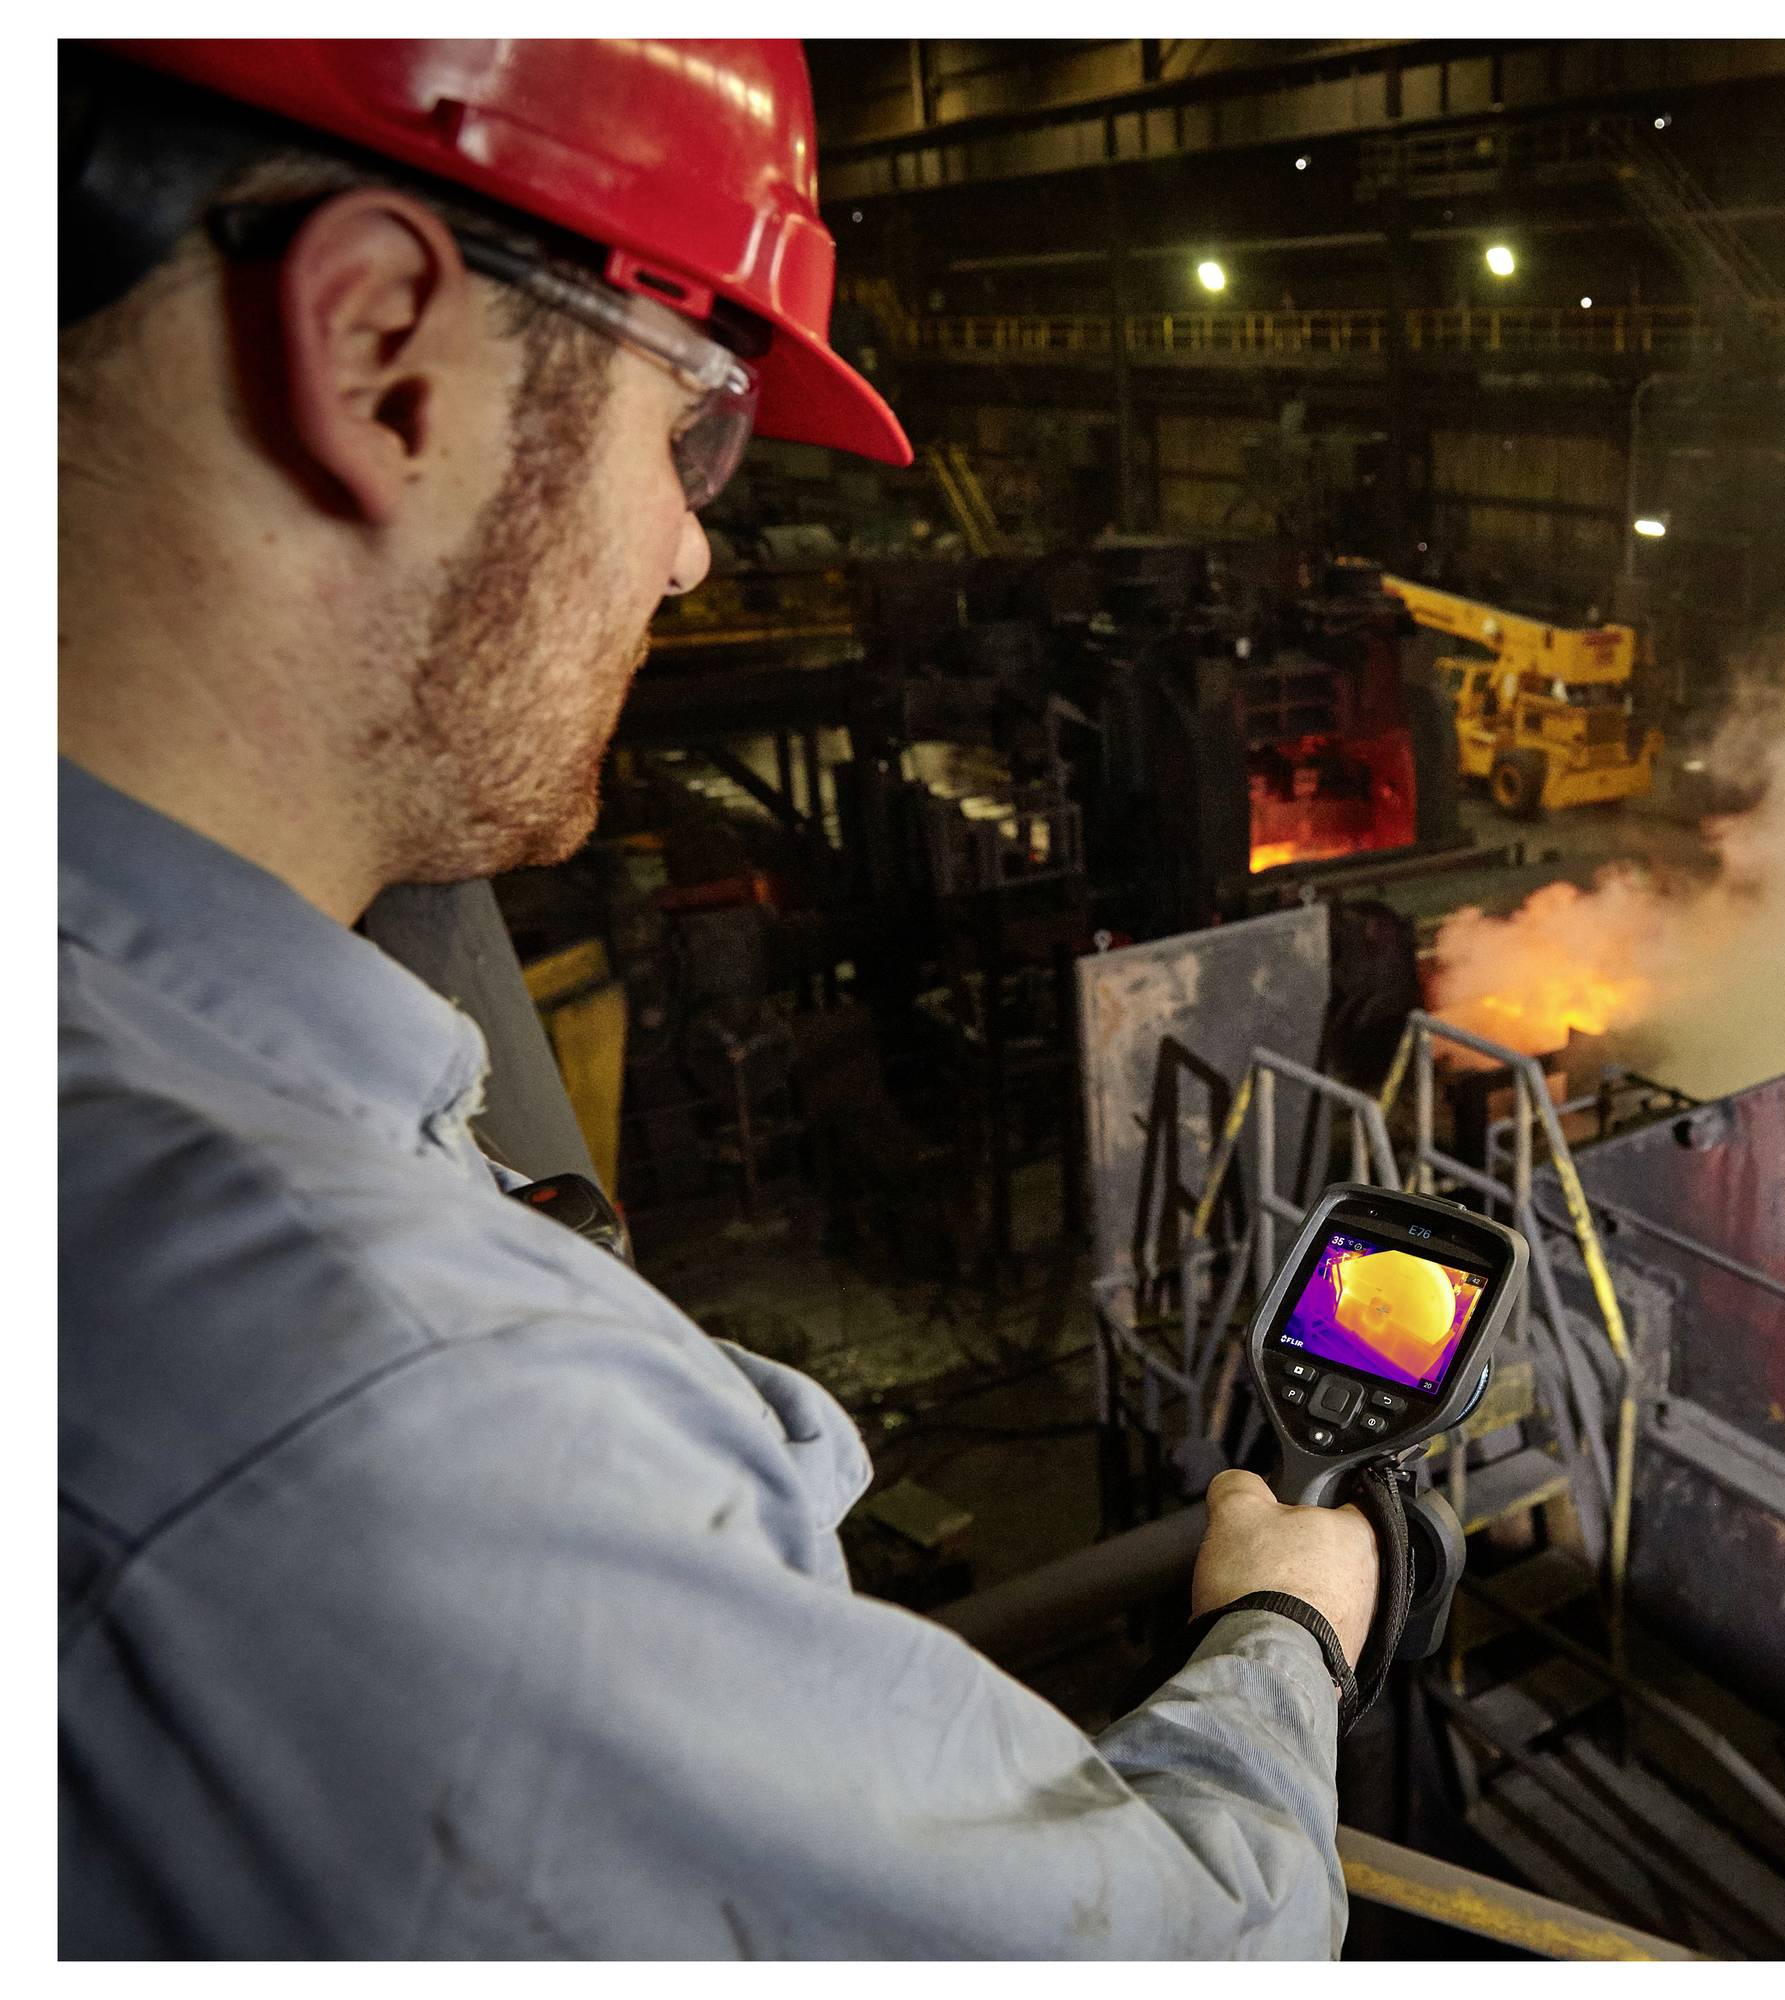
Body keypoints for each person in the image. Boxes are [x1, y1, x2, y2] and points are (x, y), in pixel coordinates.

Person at [59, 40, 1375, 1958]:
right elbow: (1194, 1955)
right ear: (379, 357)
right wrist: (1280, 1627)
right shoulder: (398, 1409)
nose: (690, 546)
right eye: (696, 430)